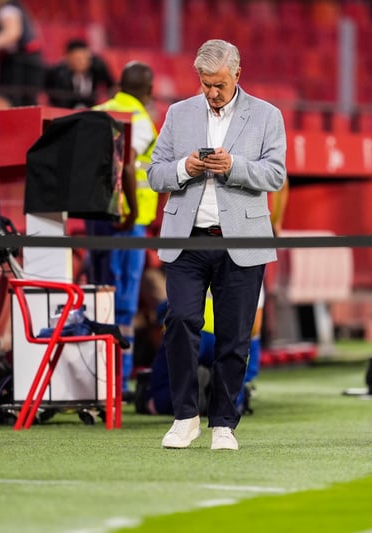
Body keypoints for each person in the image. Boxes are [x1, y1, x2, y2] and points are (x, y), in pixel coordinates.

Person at [147, 39, 286, 451]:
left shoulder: (267, 115)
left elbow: (275, 175)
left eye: (219, 85)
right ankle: (185, 417)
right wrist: (183, 168)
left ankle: (223, 423)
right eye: (205, 84)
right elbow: (154, 173)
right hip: (187, 240)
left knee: (234, 337)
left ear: (237, 75)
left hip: (241, 241)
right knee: (180, 322)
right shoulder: (178, 113)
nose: (211, 92)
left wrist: (234, 167)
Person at [84, 61, 158, 397]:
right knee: (123, 300)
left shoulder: (97, 111)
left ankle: (96, 378)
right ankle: (118, 381)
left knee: (98, 295)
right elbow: (127, 164)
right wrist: (131, 211)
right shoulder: (139, 119)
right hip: (126, 223)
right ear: (150, 90)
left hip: (95, 217)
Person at [44, 38, 115, 109]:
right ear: (68, 58)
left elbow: (112, 87)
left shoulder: (98, 68)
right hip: (67, 110)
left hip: (92, 109)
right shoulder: (57, 74)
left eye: (85, 58)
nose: (82, 62)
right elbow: (55, 98)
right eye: (78, 59)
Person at [0, 0, 43, 106]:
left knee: (16, 102)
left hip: (21, 63)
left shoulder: (8, 9)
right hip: (27, 61)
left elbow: (12, 34)